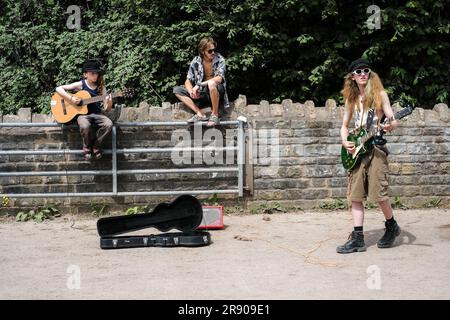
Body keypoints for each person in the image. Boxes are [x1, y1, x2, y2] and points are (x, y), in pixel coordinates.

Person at [337, 58, 401, 254]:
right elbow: (344, 127)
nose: (363, 74)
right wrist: (344, 141)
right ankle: (357, 238)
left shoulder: (380, 94)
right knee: (355, 195)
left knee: (378, 194)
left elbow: (392, 118)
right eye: (358, 72)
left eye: (366, 70)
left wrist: (391, 124)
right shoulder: (351, 98)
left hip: (376, 149)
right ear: (353, 77)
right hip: (356, 151)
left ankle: (391, 226)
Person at [56, 59, 113, 160]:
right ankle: (86, 146)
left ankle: (96, 145)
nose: (95, 75)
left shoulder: (101, 87)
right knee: (85, 126)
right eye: (92, 73)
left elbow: (107, 109)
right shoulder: (81, 84)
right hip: (83, 115)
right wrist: (71, 98)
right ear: (85, 74)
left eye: (97, 73)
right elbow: (59, 89)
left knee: (109, 124)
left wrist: (109, 103)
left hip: (97, 114)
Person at [173, 37, 230, 126]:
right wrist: (191, 91)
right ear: (203, 51)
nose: (213, 53)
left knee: (212, 83)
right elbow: (188, 80)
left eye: (213, 50)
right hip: (202, 93)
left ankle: (215, 114)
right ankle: (200, 114)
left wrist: (199, 85)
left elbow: (219, 78)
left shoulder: (219, 59)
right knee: (177, 90)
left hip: (216, 91)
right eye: (210, 51)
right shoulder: (196, 61)